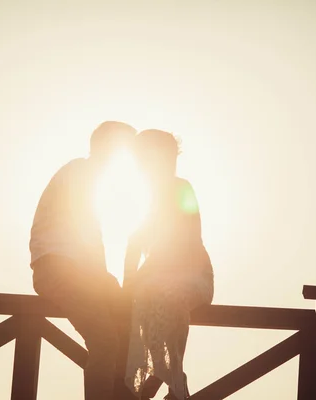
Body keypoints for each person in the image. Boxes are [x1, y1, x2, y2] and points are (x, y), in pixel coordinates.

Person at [30, 121, 137, 400]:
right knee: (104, 340)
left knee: (127, 321)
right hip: (59, 269)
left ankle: (121, 392)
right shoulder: (82, 174)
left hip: (70, 269)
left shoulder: (85, 174)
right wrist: (103, 278)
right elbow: (86, 234)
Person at [124, 129, 214, 400]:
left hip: (193, 275)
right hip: (157, 280)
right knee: (140, 301)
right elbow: (134, 244)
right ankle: (164, 377)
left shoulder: (181, 188)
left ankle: (168, 380)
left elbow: (189, 238)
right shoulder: (143, 196)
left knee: (166, 297)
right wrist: (128, 285)